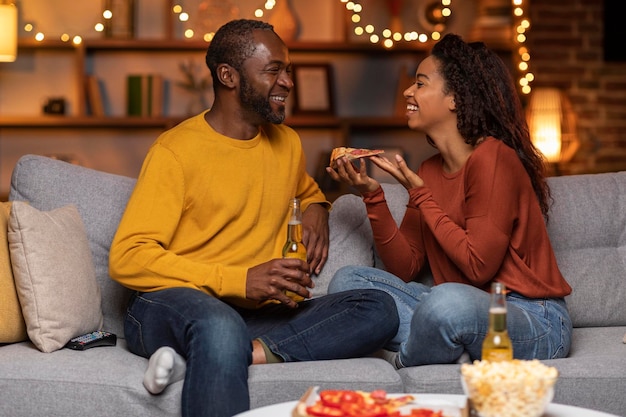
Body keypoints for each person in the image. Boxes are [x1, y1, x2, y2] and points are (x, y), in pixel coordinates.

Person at [109, 19, 399, 417]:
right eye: (273, 70)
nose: (288, 82)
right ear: (228, 76)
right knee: (219, 326)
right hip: (168, 305)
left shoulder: (287, 143)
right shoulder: (174, 152)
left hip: (251, 318)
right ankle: (215, 347)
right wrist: (240, 280)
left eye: (289, 70)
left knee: (377, 307)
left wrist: (317, 207)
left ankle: (227, 355)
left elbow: (304, 190)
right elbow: (127, 256)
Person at [326, 33, 572, 368]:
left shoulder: (493, 158)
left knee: (446, 303)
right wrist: (373, 196)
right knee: (349, 281)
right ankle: (446, 345)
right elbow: (407, 267)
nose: (408, 92)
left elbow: (477, 266)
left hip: (531, 318)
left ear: (455, 98)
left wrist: (420, 195)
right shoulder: (428, 169)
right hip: (453, 308)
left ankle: (409, 358)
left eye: (421, 83)